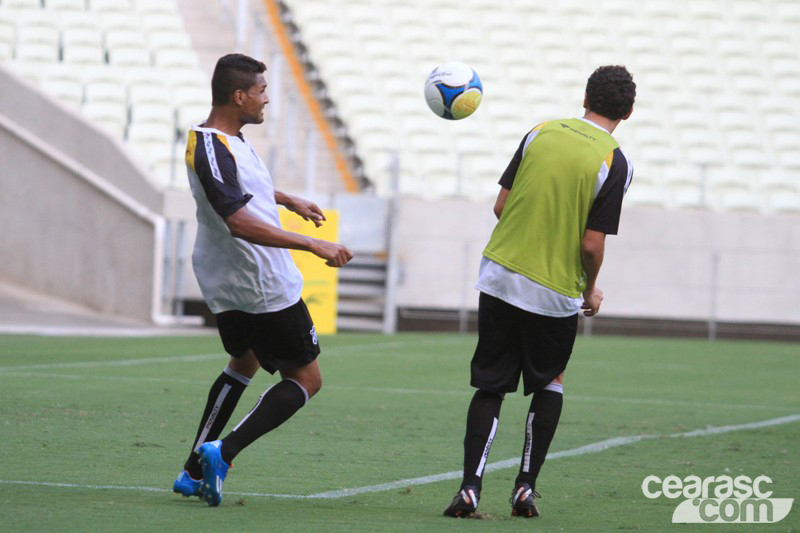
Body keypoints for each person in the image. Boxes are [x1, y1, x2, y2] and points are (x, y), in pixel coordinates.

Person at [443, 65, 635, 519]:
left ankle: (469, 488)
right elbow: (591, 243)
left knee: (491, 384)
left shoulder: (540, 132)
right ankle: (525, 489)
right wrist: (591, 290)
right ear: (628, 113)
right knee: (549, 381)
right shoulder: (615, 161)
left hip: (499, 275)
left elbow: (502, 205)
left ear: (585, 96)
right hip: (553, 292)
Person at [171, 53, 353, 507]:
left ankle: (192, 471)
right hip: (259, 282)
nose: (266, 99)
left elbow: (237, 186)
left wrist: (287, 198)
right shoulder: (210, 144)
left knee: (244, 360)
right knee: (307, 379)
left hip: (225, 282)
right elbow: (237, 220)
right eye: (260, 91)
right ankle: (222, 452)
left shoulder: (223, 142)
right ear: (238, 96)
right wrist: (314, 244)